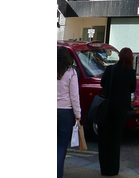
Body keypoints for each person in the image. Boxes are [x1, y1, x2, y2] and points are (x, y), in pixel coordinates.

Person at [98, 47, 137, 176]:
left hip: (107, 107)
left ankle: (104, 168)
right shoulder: (131, 73)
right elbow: (133, 88)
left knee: (104, 139)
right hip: (121, 110)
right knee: (115, 140)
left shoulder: (111, 69)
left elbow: (103, 84)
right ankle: (113, 169)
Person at [57, 47, 81, 178]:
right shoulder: (71, 72)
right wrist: (78, 114)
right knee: (61, 146)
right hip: (65, 111)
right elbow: (74, 96)